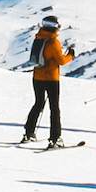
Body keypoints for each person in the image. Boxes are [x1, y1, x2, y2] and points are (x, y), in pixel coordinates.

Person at [22, 14, 74, 148]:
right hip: (51, 79)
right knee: (54, 108)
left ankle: (28, 133)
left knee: (38, 104)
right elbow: (61, 61)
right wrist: (71, 56)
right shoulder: (53, 41)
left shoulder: (39, 38)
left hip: (37, 77)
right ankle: (55, 138)